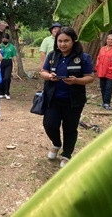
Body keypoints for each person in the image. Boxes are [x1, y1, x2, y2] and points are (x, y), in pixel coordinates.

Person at [40, 27, 94, 168]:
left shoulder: (83, 57)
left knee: (70, 128)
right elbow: (43, 72)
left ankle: (66, 154)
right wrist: (49, 76)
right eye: (60, 41)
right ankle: (56, 144)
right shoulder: (52, 55)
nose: (63, 44)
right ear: (56, 41)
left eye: (66, 41)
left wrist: (76, 81)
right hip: (53, 99)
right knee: (49, 124)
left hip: (74, 101)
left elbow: (90, 77)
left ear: (73, 41)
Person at [0, 33, 17, 100]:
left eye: (6, 39)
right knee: (1, 78)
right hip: (1, 62)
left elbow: (14, 56)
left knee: (7, 78)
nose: (4, 40)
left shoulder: (11, 47)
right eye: (3, 39)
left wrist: (15, 65)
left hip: (8, 62)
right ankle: (1, 93)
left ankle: (7, 93)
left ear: (8, 39)